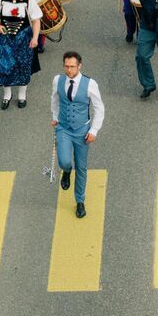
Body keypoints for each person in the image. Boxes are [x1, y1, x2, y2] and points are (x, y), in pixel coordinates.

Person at [51, 51, 105, 219]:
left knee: (81, 167)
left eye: (72, 67)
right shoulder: (58, 80)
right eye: (66, 66)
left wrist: (93, 130)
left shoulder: (90, 84)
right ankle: (67, 171)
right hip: (64, 128)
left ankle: (80, 201)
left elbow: (99, 108)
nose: (69, 70)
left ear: (79, 66)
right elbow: (54, 99)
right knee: (64, 161)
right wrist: (55, 117)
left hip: (82, 131)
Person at [0, 0, 43, 109]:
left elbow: (36, 21)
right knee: (4, 65)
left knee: (23, 65)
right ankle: (7, 95)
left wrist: (35, 38)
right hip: (4, 37)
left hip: (23, 38)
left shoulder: (29, 0)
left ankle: (22, 96)